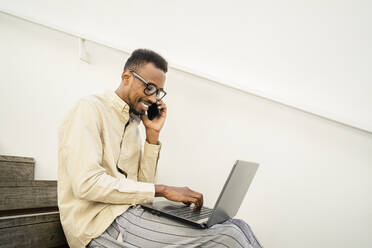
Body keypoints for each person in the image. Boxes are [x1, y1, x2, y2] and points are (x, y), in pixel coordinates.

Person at [58, 49, 263, 248]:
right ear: (126, 77)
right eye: (149, 87)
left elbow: (142, 189)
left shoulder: (133, 125)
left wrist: (152, 137)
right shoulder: (89, 109)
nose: (154, 98)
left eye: (158, 92)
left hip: (128, 213)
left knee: (237, 226)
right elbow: (86, 184)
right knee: (229, 238)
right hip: (96, 227)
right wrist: (163, 190)